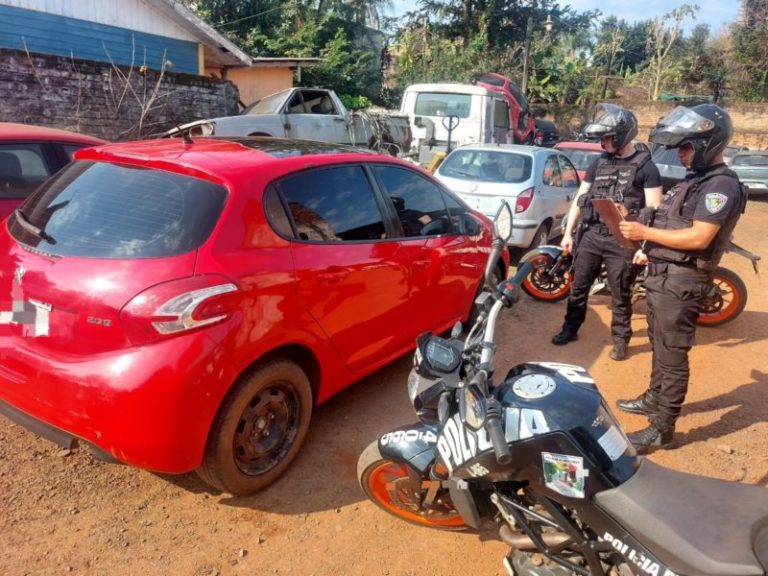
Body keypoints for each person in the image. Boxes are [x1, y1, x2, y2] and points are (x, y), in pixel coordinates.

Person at [616, 104, 747, 452]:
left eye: (687, 147)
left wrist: (645, 230)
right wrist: (646, 240)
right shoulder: (696, 181)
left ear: (707, 144)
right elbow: (671, 225)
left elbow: (699, 238)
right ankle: (652, 399)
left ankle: (663, 428)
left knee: (673, 355)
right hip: (664, 277)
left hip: (683, 282)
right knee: (660, 347)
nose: (682, 154)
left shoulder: (721, 186)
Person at [552, 104, 663, 361]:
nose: (603, 143)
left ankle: (621, 340)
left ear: (624, 134)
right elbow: (581, 197)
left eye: (608, 137)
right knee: (579, 287)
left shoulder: (646, 167)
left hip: (623, 241)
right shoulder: (599, 162)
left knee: (620, 293)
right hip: (591, 235)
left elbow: (654, 211)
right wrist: (568, 233)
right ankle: (570, 328)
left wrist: (645, 247)